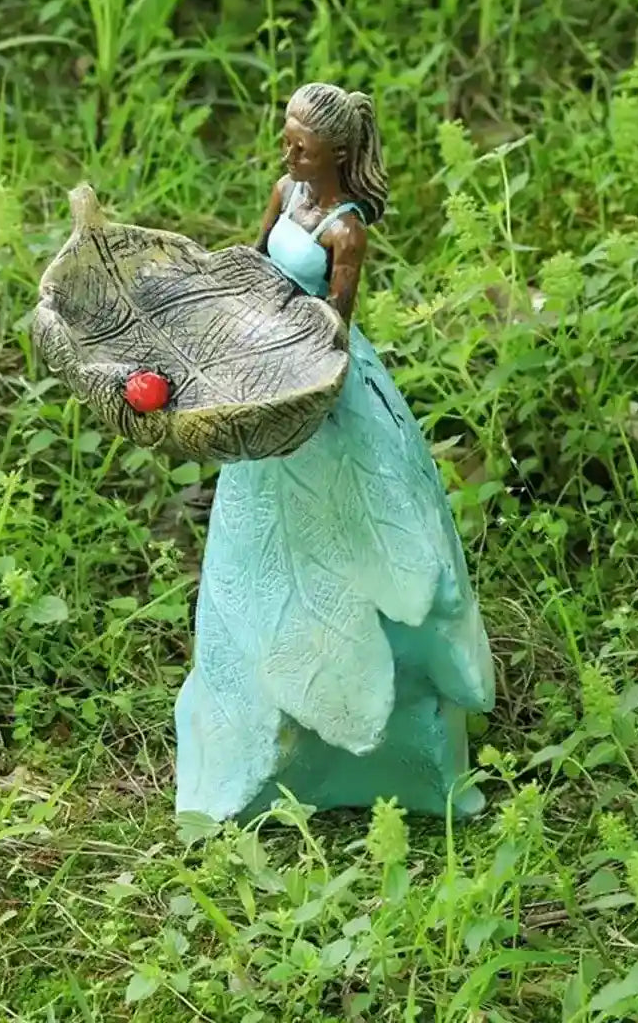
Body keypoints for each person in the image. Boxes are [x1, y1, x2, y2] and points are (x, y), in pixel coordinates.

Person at [173, 82, 495, 821]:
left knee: (356, 535)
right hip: (264, 369)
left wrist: (289, 366)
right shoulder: (285, 193)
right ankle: (262, 721)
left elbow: (334, 325)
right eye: (286, 139)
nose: (288, 152)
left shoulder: (345, 234)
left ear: (339, 156)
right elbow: (251, 267)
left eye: (303, 146)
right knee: (259, 546)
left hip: (317, 383)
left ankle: (387, 743)